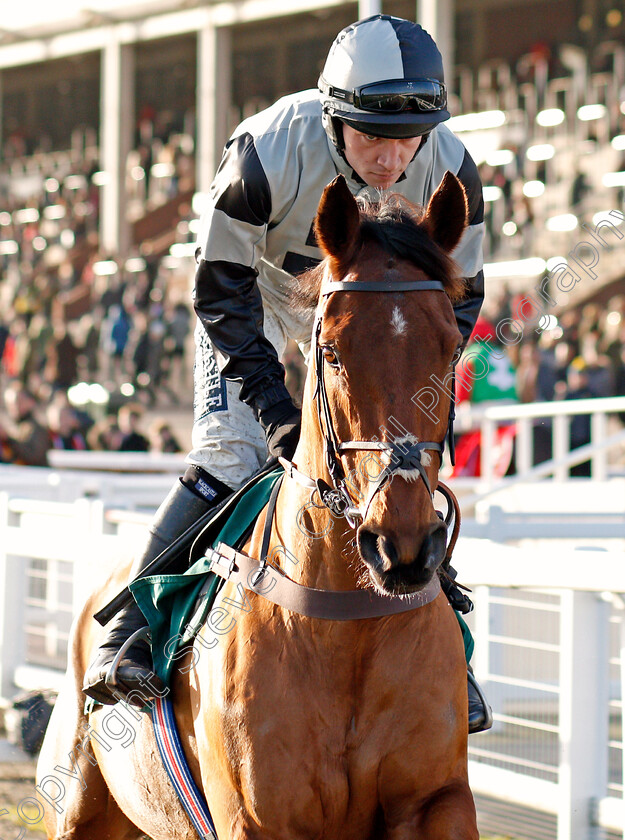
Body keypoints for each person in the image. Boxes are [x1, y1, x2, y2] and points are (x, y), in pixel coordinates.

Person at [84, 14, 489, 731]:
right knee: (235, 452)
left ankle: (448, 645)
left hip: (366, 312)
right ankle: (128, 629)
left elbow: (460, 303)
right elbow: (219, 289)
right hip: (256, 299)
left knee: (394, 464)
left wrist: (420, 403)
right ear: (334, 116)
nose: (393, 161)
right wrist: (274, 405)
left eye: (407, 141)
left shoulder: (453, 170)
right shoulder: (265, 152)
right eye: (372, 136)